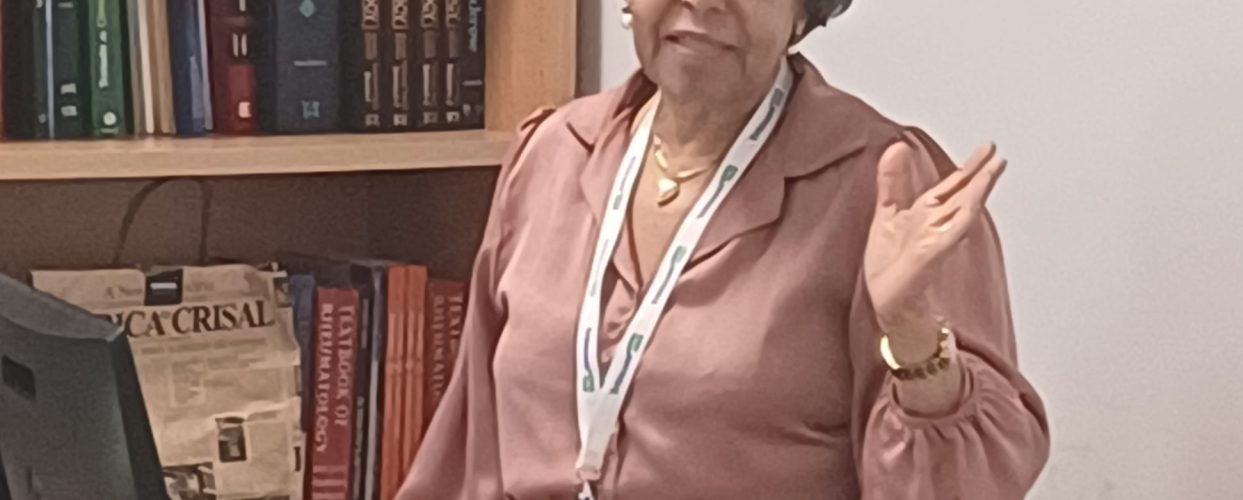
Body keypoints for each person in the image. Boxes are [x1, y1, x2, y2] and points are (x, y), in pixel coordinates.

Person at [397, 0, 1050, 498]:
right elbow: (469, 453)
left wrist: (910, 332)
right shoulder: (552, 153)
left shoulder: (886, 188)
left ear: (803, 11)